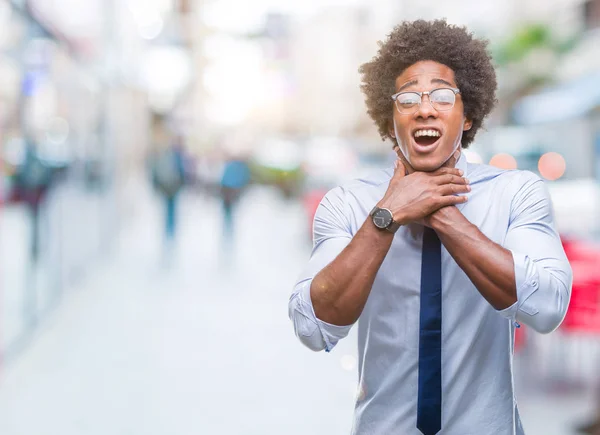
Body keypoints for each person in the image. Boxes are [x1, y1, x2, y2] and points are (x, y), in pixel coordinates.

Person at [288, 19, 572, 435]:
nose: (425, 108)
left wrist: (442, 213)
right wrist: (386, 216)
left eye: (442, 95)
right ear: (389, 122)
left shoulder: (516, 194)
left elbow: (547, 307)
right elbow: (312, 326)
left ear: (468, 115)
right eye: (408, 98)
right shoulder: (349, 204)